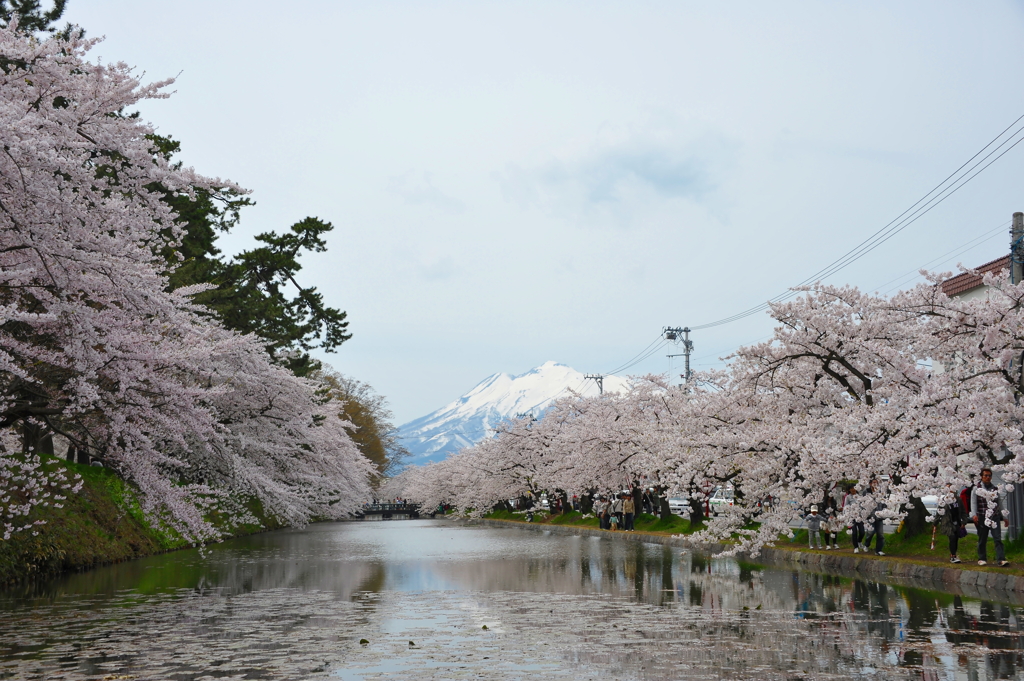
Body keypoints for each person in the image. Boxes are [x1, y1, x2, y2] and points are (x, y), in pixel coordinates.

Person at [971, 468, 1010, 567]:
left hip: (995, 516)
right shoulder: (977, 488)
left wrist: (1004, 516)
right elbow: (974, 502)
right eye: (986, 475)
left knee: (997, 538)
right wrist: (974, 515)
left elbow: (999, 502)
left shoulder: (995, 488)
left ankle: (1001, 559)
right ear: (981, 476)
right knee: (982, 538)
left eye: (989, 476)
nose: (988, 477)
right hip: (982, 516)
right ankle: (982, 558)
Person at [938, 490, 965, 564]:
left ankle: (954, 554)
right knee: (952, 537)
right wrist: (935, 522)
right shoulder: (943, 500)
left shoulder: (958, 500)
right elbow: (939, 511)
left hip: (957, 522)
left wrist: (964, 521)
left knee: (956, 539)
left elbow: (962, 511)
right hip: (947, 522)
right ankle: (952, 556)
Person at [861, 479, 886, 556]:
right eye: (873, 482)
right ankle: (866, 544)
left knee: (880, 534)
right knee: (871, 532)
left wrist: (884, 511)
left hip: (879, 515)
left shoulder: (881, 492)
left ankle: (878, 550)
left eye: (876, 482)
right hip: (870, 515)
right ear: (870, 483)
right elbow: (862, 503)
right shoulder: (866, 492)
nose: (875, 484)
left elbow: (884, 502)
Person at [843, 486, 866, 553]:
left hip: (859, 516)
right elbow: (846, 506)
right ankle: (855, 547)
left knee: (862, 532)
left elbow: (863, 505)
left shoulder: (860, 496)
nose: (853, 489)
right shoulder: (848, 497)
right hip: (851, 516)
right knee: (854, 532)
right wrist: (846, 515)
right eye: (851, 488)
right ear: (849, 490)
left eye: (854, 488)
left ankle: (859, 541)